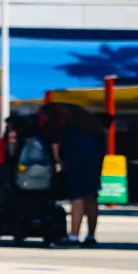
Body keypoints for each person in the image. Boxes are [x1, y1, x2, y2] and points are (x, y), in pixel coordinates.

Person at [55, 104, 108, 246]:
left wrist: (60, 162)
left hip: (76, 166)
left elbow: (62, 149)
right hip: (94, 167)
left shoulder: (72, 129)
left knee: (77, 198)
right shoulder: (96, 129)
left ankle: (73, 236)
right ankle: (91, 235)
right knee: (91, 199)